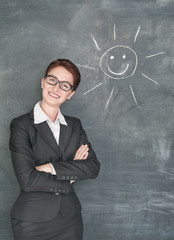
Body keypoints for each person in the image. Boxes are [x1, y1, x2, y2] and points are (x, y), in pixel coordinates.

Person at [9, 58, 100, 240]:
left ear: (71, 94)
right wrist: (71, 177)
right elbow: (27, 181)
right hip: (32, 223)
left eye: (65, 85)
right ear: (43, 82)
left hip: (70, 220)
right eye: (52, 80)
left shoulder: (74, 125)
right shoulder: (21, 125)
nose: (56, 88)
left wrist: (50, 168)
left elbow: (92, 168)